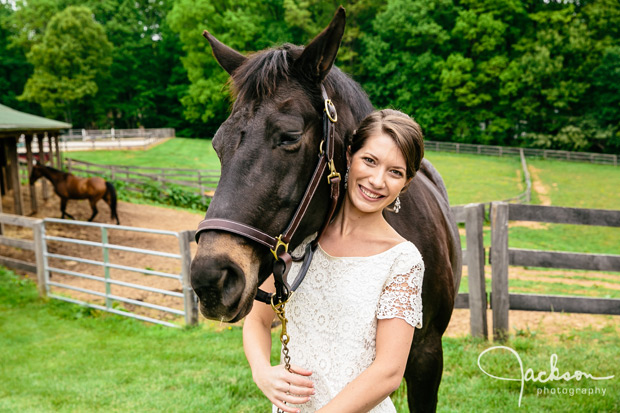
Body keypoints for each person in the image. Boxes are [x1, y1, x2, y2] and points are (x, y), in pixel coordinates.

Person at [243, 109, 425, 413]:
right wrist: (262, 371)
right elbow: (258, 319)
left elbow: (389, 371)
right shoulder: (299, 238)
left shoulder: (402, 260)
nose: (377, 180)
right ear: (349, 156)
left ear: (405, 183)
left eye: (395, 172)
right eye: (370, 160)